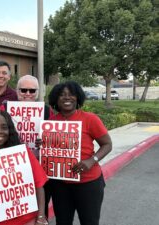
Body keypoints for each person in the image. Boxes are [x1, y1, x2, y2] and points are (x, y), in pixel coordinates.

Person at [47, 81, 112, 225]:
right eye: (62, 95)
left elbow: (107, 144)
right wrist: (43, 143)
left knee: (89, 221)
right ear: (56, 99)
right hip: (61, 185)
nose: (67, 98)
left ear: (78, 98)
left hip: (88, 183)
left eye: (71, 94)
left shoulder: (90, 119)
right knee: (62, 222)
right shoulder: (51, 122)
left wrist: (91, 160)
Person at [16, 75, 54, 219]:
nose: (27, 94)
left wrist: (45, 141)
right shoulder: (6, 107)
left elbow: (53, 138)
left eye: (32, 91)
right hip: (16, 169)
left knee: (40, 209)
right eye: (23, 90)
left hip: (40, 168)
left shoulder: (46, 111)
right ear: (17, 91)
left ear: (37, 92)